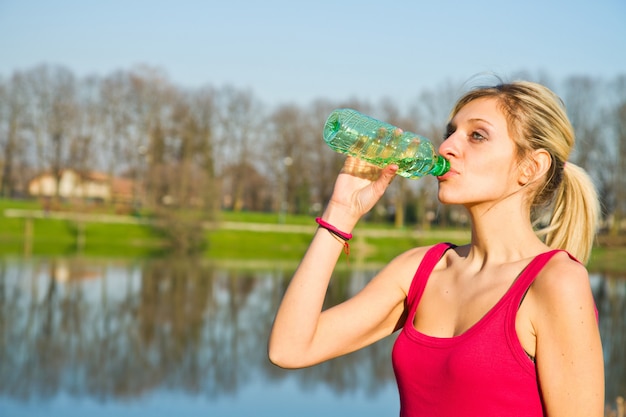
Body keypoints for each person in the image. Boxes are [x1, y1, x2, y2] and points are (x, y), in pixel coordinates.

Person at [268, 81, 605, 416]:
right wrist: (340, 213)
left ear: (530, 167)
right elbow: (290, 349)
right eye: (451, 132)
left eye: (477, 136)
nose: (446, 147)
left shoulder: (555, 282)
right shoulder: (420, 270)